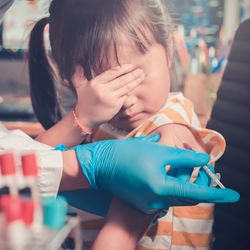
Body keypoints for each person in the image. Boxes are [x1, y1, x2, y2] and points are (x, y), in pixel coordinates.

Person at [27, 0, 240, 249]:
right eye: (109, 85)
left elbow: (123, 231)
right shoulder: (102, 121)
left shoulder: (171, 123)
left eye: (136, 76)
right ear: (69, 80)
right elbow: (26, 171)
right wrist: (82, 117)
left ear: (169, 51)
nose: (126, 101)